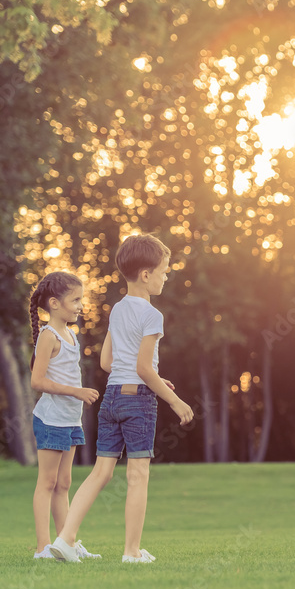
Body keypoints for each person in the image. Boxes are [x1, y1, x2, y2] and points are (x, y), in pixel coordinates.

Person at [50, 234, 194, 563]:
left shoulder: (117, 309)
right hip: (138, 400)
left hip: (112, 397)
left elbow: (106, 363)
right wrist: (175, 401)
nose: (166, 276)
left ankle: (66, 539)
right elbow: (144, 368)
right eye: (164, 270)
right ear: (146, 274)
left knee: (101, 472)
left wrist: (153, 379)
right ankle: (131, 552)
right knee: (137, 474)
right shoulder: (152, 315)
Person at [28, 271, 101, 560]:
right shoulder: (49, 335)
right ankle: (42, 548)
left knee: (64, 484)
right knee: (46, 483)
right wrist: (76, 391)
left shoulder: (71, 334)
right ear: (55, 304)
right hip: (50, 419)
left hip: (70, 420)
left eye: (81, 299)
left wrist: (76, 396)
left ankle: (65, 543)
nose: (81, 305)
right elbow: (37, 381)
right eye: (76, 300)